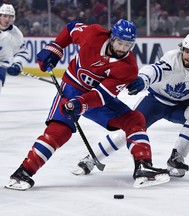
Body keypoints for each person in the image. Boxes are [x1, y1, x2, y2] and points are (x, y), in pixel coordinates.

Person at [5, 19, 169, 191]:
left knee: (134, 119)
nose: (122, 48)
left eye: (127, 44)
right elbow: (70, 29)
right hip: (72, 89)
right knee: (59, 131)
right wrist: (56, 47)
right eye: (120, 42)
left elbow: (102, 95)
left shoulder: (128, 68)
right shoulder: (93, 34)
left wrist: (81, 103)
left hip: (96, 99)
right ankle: (23, 173)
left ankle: (143, 166)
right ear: (112, 37)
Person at [72, 31, 189, 178]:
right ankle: (92, 158)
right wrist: (142, 80)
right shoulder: (171, 58)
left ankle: (177, 159)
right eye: (188, 51)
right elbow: (154, 71)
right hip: (155, 102)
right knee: (127, 131)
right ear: (182, 48)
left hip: (181, 106)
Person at [0, 3, 28, 94]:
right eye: (4, 16)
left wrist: (17, 64)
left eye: (10, 16)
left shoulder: (16, 34)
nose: (7, 19)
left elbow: (21, 52)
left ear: (14, 18)